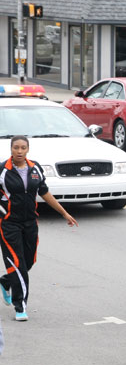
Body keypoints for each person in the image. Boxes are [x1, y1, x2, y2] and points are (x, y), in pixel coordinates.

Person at [0, 136, 78, 321]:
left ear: (28, 149)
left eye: (23, 148)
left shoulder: (35, 168)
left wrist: (64, 213)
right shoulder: (2, 170)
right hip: (9, 224)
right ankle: (20, 307)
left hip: (30, 223)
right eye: (16, 148)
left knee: (28, 263)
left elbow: (44, 192)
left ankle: (5, 281)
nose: (19, 151)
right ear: (11, 149)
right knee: (17, 266)